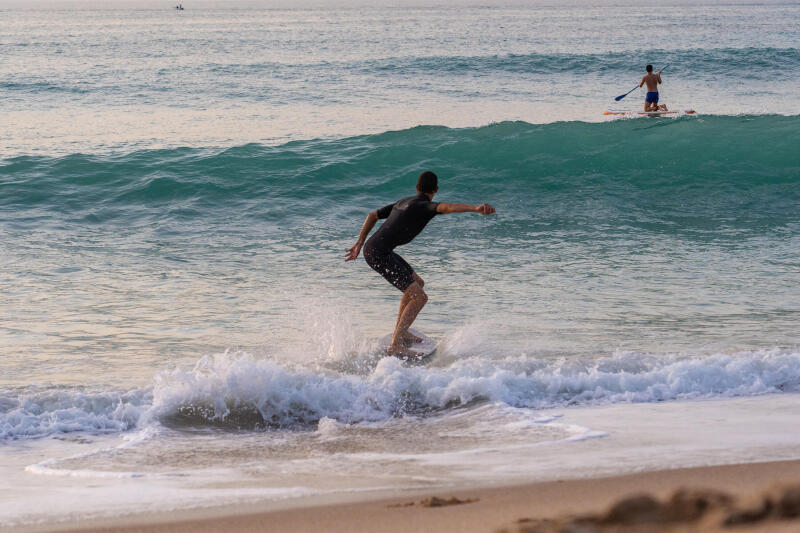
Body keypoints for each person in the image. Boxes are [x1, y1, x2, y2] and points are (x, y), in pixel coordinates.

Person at [345, 171, 495, 358]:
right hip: (379, 254)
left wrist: (359, 243)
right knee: (420, 297)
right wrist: (475, 208)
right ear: (436, 189)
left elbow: (372, 215)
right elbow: (447, 207)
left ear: (417, 188)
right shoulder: (424, 206)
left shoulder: (403, 202)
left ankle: (401, 331)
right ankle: (396, 345)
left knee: (417, 284)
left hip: (377, 249)